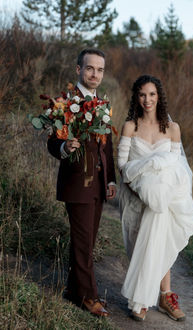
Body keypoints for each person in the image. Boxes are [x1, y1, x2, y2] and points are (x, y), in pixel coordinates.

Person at [118, 75, 193, 321]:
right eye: (142, 94)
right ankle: (146, 293)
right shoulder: (130, 126)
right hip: (135, 195)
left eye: (152, 94)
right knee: (139, 245)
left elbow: (178, 168)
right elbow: (122, 165)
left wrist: (162, 195)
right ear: (136, 97)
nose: (147, 99)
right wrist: (140, 191)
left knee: (160, 241)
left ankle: (161, 297)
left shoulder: (173, 129)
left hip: (164, 199)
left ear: (159, 96)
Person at [48, 48, 116, 317]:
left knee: (86, 241)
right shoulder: (65, 103)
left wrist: (110, 179)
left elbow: (106, 146)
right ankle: (89, 297)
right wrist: (66, 146)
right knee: (83, 242)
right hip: (77, 183)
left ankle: (73, 291)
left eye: (100, 70)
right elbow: (53, 143)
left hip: (98, 183)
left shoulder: (103, 103)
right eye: (90, 68)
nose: (95, 74)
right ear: (79, 69)